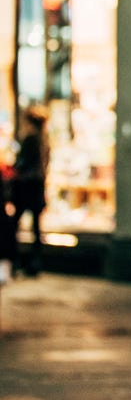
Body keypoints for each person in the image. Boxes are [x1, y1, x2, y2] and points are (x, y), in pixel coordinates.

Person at [8, 106, 49, 277]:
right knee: (35, 226)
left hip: (27, 186)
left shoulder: (31, 139)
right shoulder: (44, 140)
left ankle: (15, 259)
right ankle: (34, 261)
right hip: (37, 185)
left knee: (14, 223)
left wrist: (14, 170)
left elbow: (22, 164)